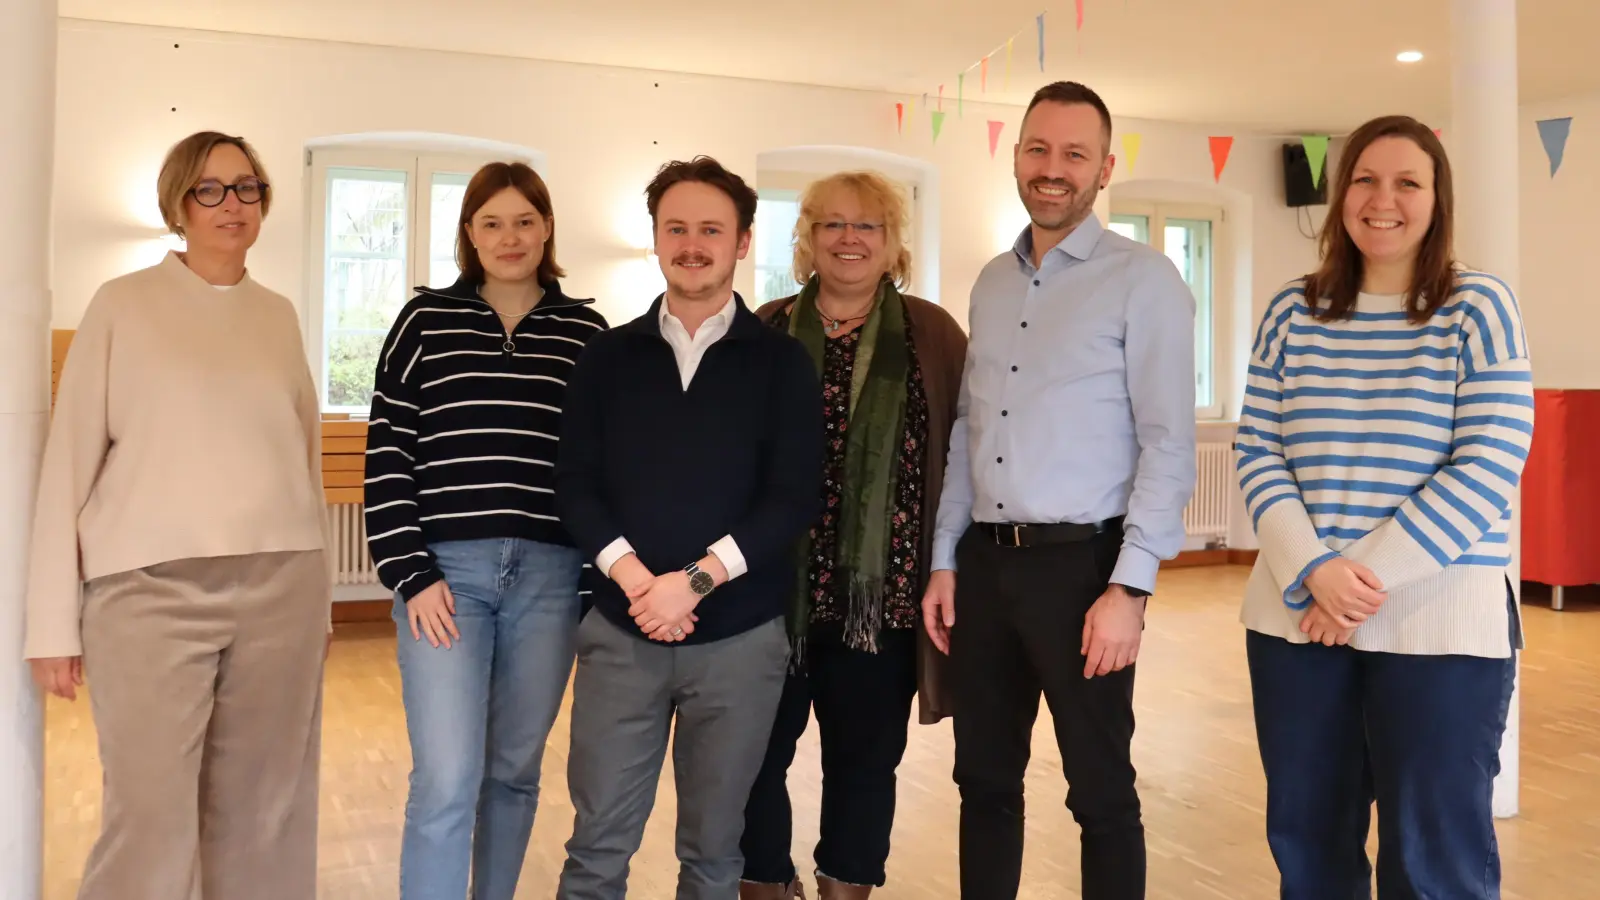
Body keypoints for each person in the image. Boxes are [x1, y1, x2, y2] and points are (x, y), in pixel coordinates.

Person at [23, 131, 331, 900]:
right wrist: (51, 625)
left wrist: (318, 601)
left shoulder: (278, 315)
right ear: (178, 204)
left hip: (279, 590)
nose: (233, 204)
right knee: (150, 818)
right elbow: (67, 464)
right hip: (147, 594)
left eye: (247, 186)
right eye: (211, 189)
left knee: (264, 813)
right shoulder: (122, 304)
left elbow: (302, 458)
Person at [1235, 114, 1530, 899]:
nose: (1383, 199)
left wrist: (1356, 583)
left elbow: (1490, 461)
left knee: (1435, 854)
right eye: (1365, 179)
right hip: (1298, 620)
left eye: (1408, 182)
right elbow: (1257, 449)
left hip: (1438, 623)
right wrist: (1315, 573)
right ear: (1340, 196)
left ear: (1438, 199)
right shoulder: (1290, 312)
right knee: (1309, 841)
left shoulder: (1479, 307)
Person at [922, 80, 1197, 900]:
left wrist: (1131, 588)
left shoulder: (1144, 281)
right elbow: (971, 427)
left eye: (1075, 154)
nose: (1054, 168)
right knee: (984, 784)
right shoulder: (991, 283)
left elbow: (1167, 444)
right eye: (1039, 149)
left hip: (1084, 572)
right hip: (984, 567)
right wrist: (944, 558)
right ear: (1015, 158)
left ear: (1104, 168)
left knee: (1101, 793)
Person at [553, 155, 825, 899]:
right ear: (656, 238)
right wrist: (641, 584)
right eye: (677, 228)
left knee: (713, 855)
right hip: (621, 634)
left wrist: (695, 582)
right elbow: (574, 484)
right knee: (596, 848)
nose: (692, 244)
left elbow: (794, 496)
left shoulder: (783, 363)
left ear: (742, 241)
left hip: (738, 641)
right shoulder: (606, 357)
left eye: (711, 228)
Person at [363, 161, 607, 900]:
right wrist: (411, 573)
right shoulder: (424, 322)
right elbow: (388, 451)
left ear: (548, 228)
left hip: (551, 582)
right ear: (469, 232)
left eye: (525, 221)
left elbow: (603, 469)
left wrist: (593, 586)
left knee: (513, 773)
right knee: (445, 777)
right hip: (446, 580)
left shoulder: (587, 333)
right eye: (492, 222)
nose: (510, 237)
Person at [740, 170, 967, 900]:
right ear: (806, 238)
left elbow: (967, 453)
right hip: (771, 596)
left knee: (865, 764)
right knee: (753, 756)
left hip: (884, 602)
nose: (848, 239)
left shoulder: (932, 332)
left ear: (893, 243)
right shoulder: (767, 327)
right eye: (832, 224)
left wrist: (952, 566)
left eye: (866, 225)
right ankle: (766, 883)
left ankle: (846, 888)